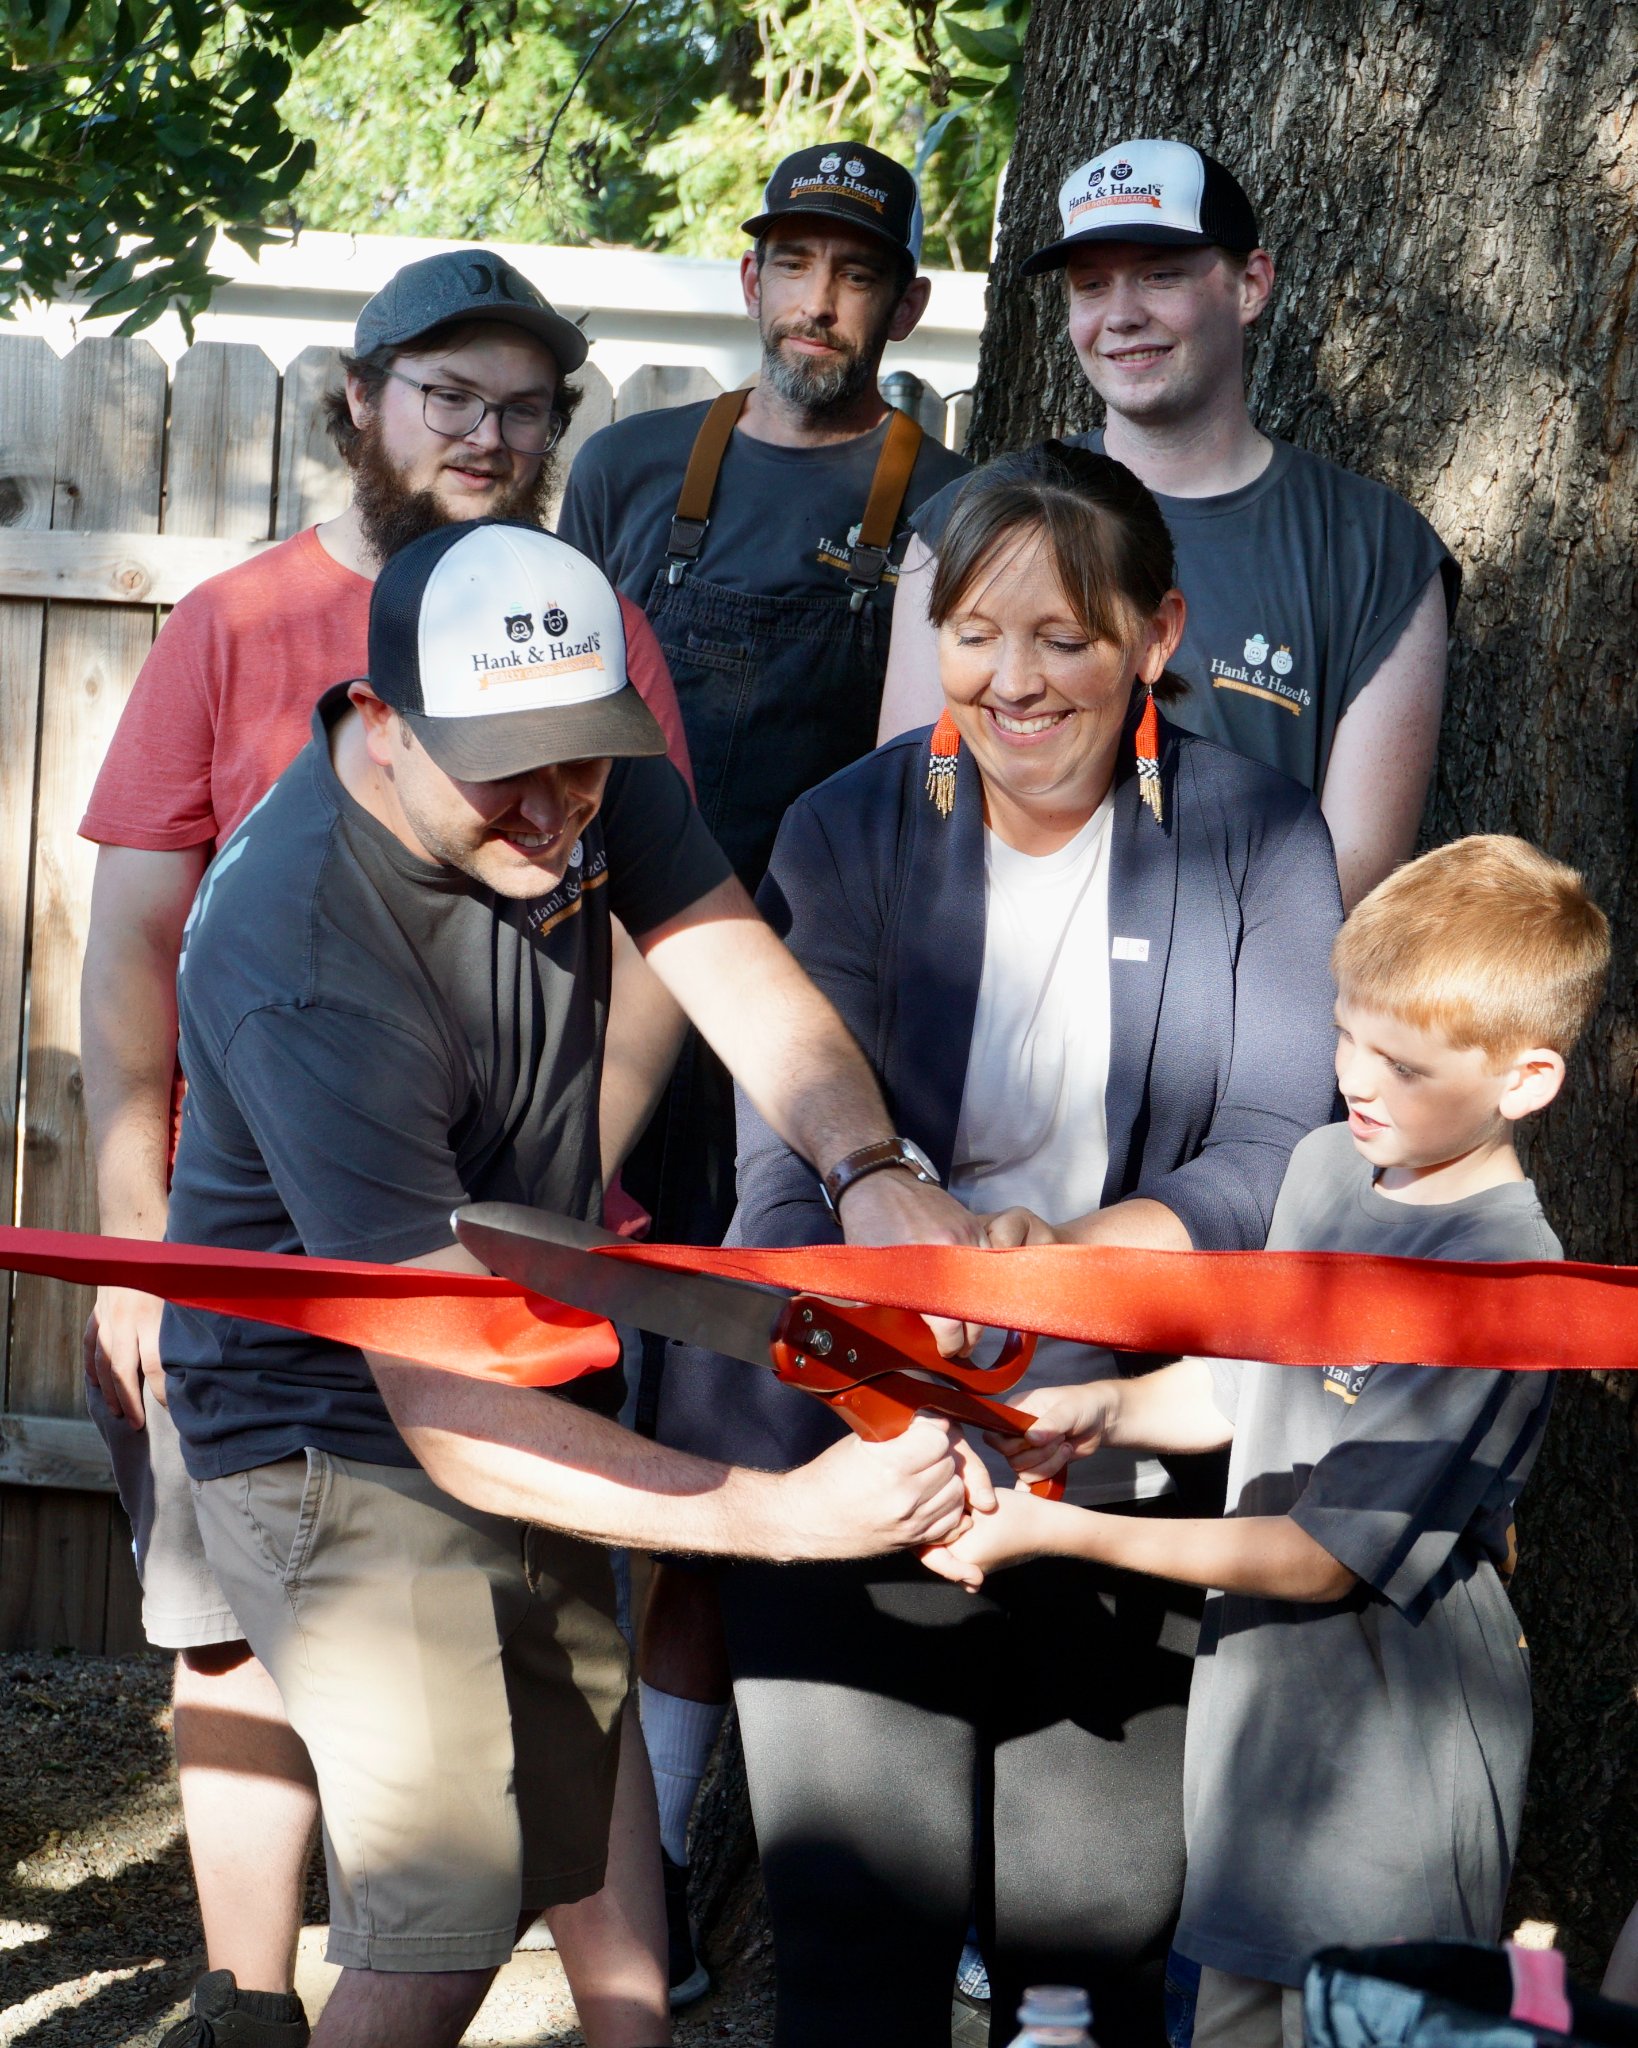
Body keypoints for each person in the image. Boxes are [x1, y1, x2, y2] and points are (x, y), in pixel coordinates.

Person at [160, 517, 990, 2048]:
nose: (554, 810)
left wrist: (871, 1170)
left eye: (583, 765)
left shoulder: (577, 765)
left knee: (593, 1808)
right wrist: (768, 1520)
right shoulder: (301, 952)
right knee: (450, 1912)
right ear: (383, 722)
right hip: (319, 1421)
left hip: (516, 1355)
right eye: (508, 772)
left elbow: (736, 970)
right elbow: (441, 1407)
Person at [76, 248, 691, 2046]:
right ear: (359, 399)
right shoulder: (239, 621)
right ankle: (249, 1995)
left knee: (555, 1659)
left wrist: (568, 1175)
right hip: (253, 1261)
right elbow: (133, 948)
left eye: (524, 404)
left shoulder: (591, 624)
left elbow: (667, 916)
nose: (490, 433)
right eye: (451, 395)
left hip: (499, 1267)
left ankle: (625, 2012)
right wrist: (137, 1244)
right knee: (238, 1628)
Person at [657, 442, 1345, 2048]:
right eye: (975, 632)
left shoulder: (1258, 837)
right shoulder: (843, 829)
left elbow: (1269, 1154)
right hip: (855, 1426)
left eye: (1063, 638)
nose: (1012, 681)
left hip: (1118, 1427)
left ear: (1155, 637)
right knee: (850, 1938)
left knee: (1089, 1936)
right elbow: (779, 1177)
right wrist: (902, 1344)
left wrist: (1071, 1262)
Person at [931, 833, 1611, 2048]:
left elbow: (1320, 1556)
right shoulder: (1324, 1168)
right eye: (1346, 1033)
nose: (1355, 1076)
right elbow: (1252, 1389)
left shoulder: (1510, 1278)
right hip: (1253, 1753)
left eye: (1401, 1062)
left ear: (1526, 1078)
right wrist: (1104, 1412)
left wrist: (1058, 1532)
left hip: (1391, 1789)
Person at [557, 140, 971, 1994]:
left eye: (853, 272)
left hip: (823, 1035)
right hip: (606, 997)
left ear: (904, 303)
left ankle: (783, 1850)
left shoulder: (949, 506)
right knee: (575, 1390)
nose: (818, 301)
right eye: (789, 261)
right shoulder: (628, 469)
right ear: (746, 279)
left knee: (776, 1419)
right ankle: (593, 1851)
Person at [877, 136, 1458, 910]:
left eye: (1160, 275)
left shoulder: (1375, 550)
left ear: (1251, 285)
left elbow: (1353, 877)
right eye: (1091, 286)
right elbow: (910, 806)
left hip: (1240, 1011)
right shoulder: (958, 525)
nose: (1120, 316)